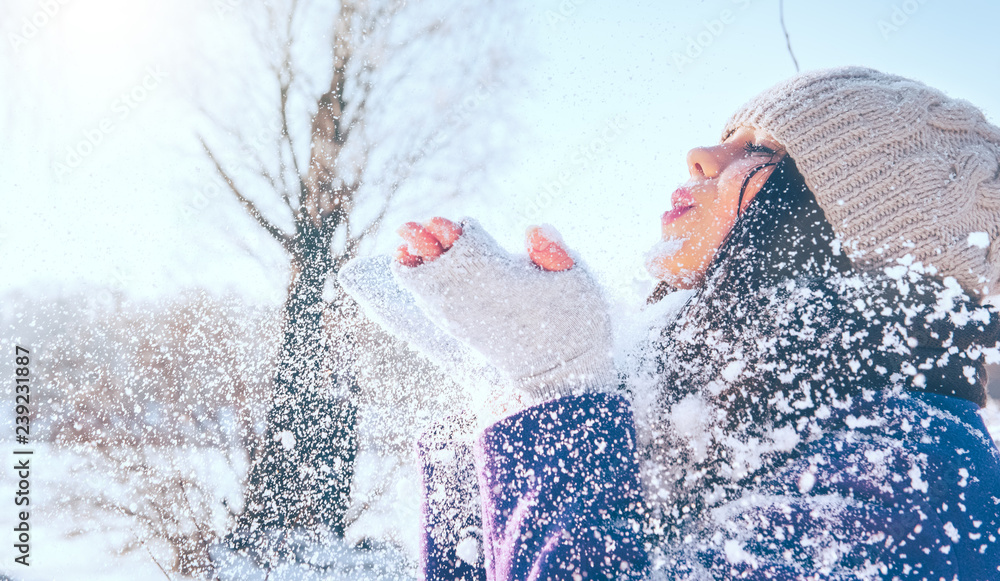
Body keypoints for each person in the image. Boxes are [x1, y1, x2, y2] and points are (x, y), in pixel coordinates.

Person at [342, 67, 1000, 580]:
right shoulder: (751, 431)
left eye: (763, 149)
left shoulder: (916, 473)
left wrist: (557, 388)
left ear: (835, 228)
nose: (700, 155)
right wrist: (494, 412)